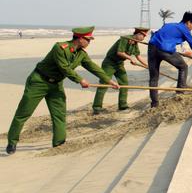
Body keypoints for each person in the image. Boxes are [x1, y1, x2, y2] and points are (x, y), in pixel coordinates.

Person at [5, 27, 119, 155]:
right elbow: (64, 68)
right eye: (88, 40)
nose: (89, 42)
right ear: (80, 38)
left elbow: (93, 67)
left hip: (56, 85)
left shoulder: (81, 54)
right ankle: (12, 141)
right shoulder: (60, 48)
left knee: (59, 115)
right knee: (24, 112)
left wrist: (109, 81)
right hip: (39, 81)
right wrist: (80, 80)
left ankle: (59, 143)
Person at [148, 12, 192, 107]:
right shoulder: (185, 29)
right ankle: (180, 93)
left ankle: (154, 104)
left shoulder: (168, 25)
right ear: (189, 22)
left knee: (153, 78)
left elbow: (156, 34)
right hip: (165, 49)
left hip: (152, 47)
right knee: (183, 67)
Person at [92, 27, 149, 114]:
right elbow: (120, 52)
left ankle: (122, 105)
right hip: (109, 63)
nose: (143, 38)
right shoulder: (125, 39)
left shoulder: (135, 44)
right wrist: (130, 58)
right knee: (104, 84)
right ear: (138, 34)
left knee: (124, 83)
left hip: (119, 64)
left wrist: (147, 66)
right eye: (143, 36)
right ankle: (97, 107)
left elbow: (138, 56)